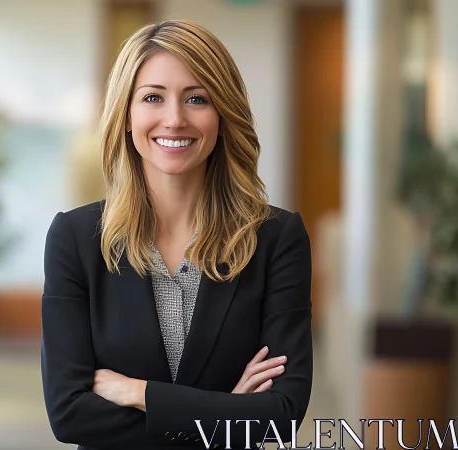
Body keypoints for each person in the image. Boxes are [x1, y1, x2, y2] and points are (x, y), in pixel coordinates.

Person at [40, 20, 313, 450]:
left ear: (223, 115)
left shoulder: (277, 240)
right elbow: (68, 415)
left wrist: (139, 393)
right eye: (152, 97)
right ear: (126, 116)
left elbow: (280, 417)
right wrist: (223, 414)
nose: (175, 119)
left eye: (196, 99)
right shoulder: (75, 240)